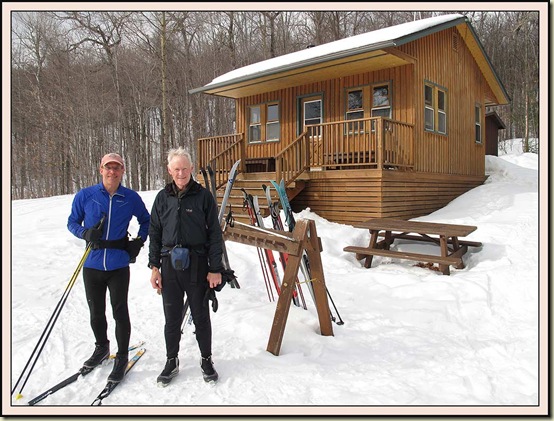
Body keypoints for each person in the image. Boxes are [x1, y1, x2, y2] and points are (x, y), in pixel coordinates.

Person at [67, 153, 150, 383]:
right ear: (100, 169)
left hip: (118, 265)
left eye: (117, 167)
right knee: (96, 312)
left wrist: (138, 242)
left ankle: (122, 357)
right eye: (108, 167)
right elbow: (71, 222)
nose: (112, 172)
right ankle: (102, 347)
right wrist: (85, 232)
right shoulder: (86, 195)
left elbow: (147, 220)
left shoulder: (130, 197)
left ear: (123, 171)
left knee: (119, 311)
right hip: (92, 264)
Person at [148, 147, 223, 385]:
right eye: (176, 169)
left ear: (192, 169)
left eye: (185, 168)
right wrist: (154, 267)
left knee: (201, 316)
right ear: (169, 170)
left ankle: (206, 359)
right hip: (169, 265)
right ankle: (172, 360)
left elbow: (214, 235)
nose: (181, 173)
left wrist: (215, 268)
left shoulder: (203, 197)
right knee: (171, 318)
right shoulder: (162, 198)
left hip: (198, 265)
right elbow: (155, 233)